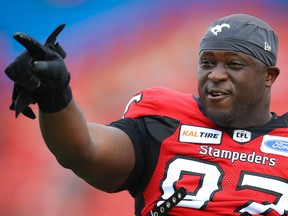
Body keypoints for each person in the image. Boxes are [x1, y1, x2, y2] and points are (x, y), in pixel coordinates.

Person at [4, 13, 287, 215]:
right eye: (207, 63)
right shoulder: (165, 121)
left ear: (268, 76)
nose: (215, 75)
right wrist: (56, 96)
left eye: (234, 64)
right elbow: (83, 151)